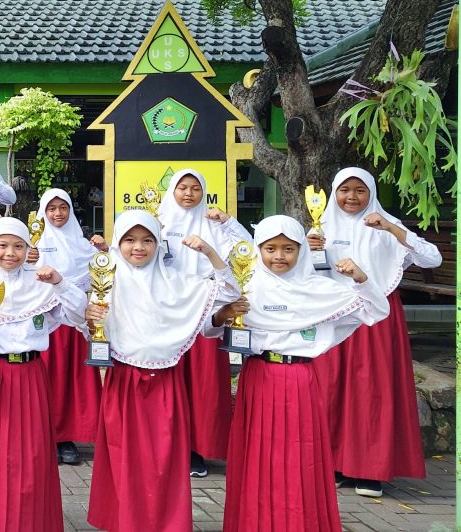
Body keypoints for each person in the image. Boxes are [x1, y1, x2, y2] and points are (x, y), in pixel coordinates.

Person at [222, 215, 389, 532]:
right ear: (258, 249)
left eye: (289, 248)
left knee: (300, 456)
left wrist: (360, 277)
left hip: (300, 379)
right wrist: (225, 313)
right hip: (258, 378)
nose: (279, 256)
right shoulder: (246, 287)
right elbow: (210, 328)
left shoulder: (320, 290)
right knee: (258, 456)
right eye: (270, 248)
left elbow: (377, 310)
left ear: (301, 250)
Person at [85, 210, 239, 532]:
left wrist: (209, 252)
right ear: (117, 243)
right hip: (124, 382)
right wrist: (88, 314)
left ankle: (167, 523)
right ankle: (126, 522)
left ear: (159, 244)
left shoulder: (176, 282)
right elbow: (78, 314)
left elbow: (229, 291)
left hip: (166, 382)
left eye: (147, 240)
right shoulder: (106, 281)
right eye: (129, 239)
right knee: (125, 457)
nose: (138, 247)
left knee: (165, 459)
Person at [310, 167, 443, 498]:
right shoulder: (320, 226)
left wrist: (392, 229)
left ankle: (370, 470)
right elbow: (303, 273)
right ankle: (334, 463)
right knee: (331, 388)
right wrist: (308, 250)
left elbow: (432, 259)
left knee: (373, 390)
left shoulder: (386, 225)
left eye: (360, 190)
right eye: (344, 190)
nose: (351, 197)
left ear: (371, 193)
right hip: (335, 314)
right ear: (334, 193)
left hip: (376, 316)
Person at [0, 218, 88, 532]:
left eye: (18, 246)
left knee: (31, 453)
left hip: (30, 377)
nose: (10, 253)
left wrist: (60, 282)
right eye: (2, 245)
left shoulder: (40, 281)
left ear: (28, 248)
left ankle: (30, 522)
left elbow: (77, 314)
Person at [157, 168, 252, 477]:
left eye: (195, 188)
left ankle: (198, 448)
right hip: (168, 312)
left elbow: (246, 252)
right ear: (172, 191)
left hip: (206, 308)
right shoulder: (158, 223)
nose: (188, 193)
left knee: (203, 383)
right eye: (182, 187)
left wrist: (228, 222)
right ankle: (170, 446)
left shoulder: (213, 225)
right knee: (169, 382)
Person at [29, 188, 106, 465]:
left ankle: (66, 436)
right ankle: (42, 435)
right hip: (44, 322)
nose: (58, 213)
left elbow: (103, 271)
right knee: (45, 379)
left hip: (72, 322)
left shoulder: (83, 245)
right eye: (51, 209)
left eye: (63, 208)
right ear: (43, 212)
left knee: (68, 380)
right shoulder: (32, 244)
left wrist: (105, 251)